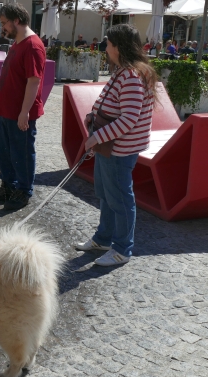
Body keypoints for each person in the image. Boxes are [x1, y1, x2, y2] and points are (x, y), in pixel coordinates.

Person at [74, 23, 158, 266]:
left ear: (118, 47)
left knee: (120, 199)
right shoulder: (125, 71)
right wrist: (94, 116)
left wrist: (95, 137)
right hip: (109, 146)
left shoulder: (131, 75)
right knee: (106, 195)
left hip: (119, 149)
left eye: (108, 43)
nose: (105, 47)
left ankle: (122, 249)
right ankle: (103, 238)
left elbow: (129, 119)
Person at [0, 3, 46, 211]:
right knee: (5, 153)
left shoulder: (32, 45)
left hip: (20, 113)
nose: (2, 28)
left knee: (22, 153)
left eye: (4, 24)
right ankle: (9, 186)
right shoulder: (18, 42)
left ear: (16, 21)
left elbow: (33, 81)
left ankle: (24, 191)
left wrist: (24, 112)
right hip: (6, 111)